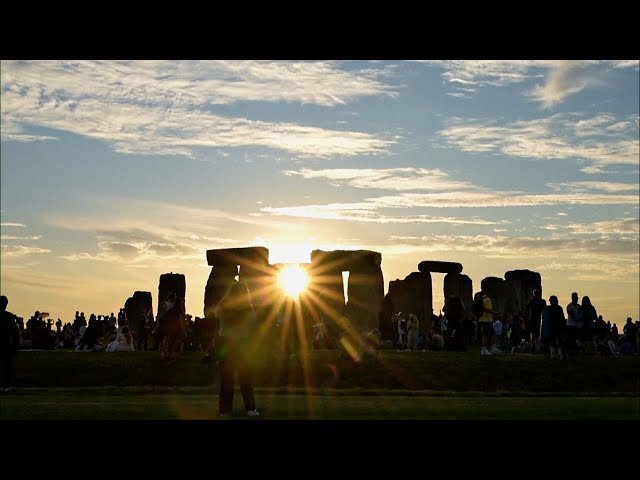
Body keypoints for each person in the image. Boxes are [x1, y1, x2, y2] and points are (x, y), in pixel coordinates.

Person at [214, 281, 259, 417]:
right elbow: (253, 323)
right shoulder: (247, 309)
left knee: (227, 379)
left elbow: (219, 321)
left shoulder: (222, 307)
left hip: (225, 343)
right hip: (241, 344)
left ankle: (225, 410)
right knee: (245, 378)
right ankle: (250, 409)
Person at [0, 295, 20, 392]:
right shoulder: (9, 317)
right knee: (6, 366)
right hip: (6, 344)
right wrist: (15, 346)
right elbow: (15, 333)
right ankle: (5, 385)